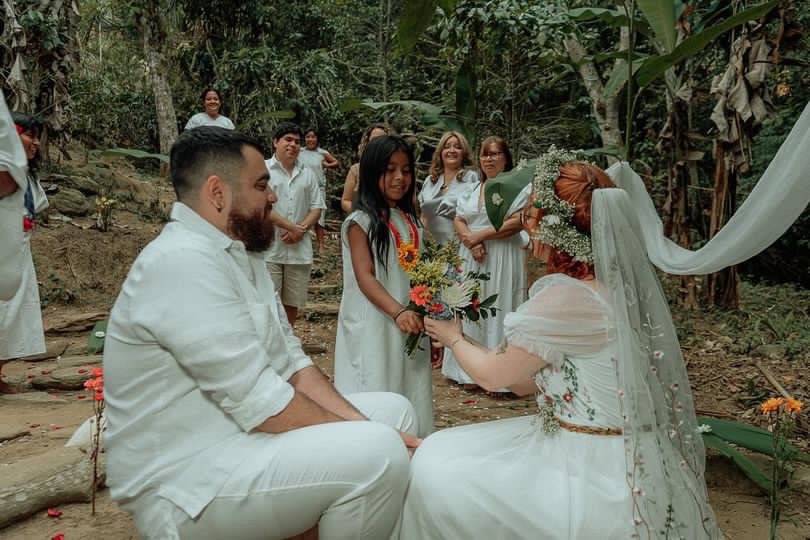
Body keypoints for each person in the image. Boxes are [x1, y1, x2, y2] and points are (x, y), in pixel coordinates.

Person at [103, 126, 421, 540]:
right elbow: (262, 404)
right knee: (379, 454)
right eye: (261, 185)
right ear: (217, 193)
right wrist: (369, 435)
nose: (273, 197)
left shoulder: (239, 253)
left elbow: (293, 365)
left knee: (393, 412)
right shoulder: (181, 262)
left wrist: (365, 426)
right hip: (187, 481)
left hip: (240, 439)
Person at [399, 156, 722, 539]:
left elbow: (494, 377)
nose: (525, 222)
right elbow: (530, 382)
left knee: (438, 468)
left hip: (589, 465)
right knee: (444, 451)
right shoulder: (610, 289)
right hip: (621, 450)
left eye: (530, 213)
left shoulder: (565, 298)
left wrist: (452, 336)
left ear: (551, 229)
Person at [334, 135, 433, 437]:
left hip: (409, 321)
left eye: (405, 170)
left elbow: (422, 273)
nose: (399, 178)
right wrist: (398, 312)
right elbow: (365, 276)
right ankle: (377, 447)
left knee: (410, 385)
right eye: (389, 170)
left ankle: (413, 446)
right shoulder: (360, 221)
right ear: (371, 172)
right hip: (376, 321)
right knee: (378, 383)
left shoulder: (411, 219)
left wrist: (427, 317)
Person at [444, 136, 528, 390]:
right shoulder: (471, 188)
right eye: (485, 154)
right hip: (471, 255)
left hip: (503, 254)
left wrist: (482, 235)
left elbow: (517, 221)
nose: (489, 159)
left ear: (506, 158)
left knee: (501, 306)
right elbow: (459, 218)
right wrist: (470, 240)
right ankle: (467, 370)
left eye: (495, 154)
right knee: (471, 306)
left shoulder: (519, 188)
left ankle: (502, 375)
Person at [418, 131, 477, 367]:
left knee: (455, 299)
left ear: (464, 153)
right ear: (440, 152)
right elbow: (423, 214)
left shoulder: (470, 178)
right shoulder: (431, 181)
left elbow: (474, 214)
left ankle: (458, 353)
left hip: (458, 246)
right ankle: (436, 348)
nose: (451, 150)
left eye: (457, 147)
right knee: (433, 299)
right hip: (432, 247)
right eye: (447, 146)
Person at [0, 111, 48, 393]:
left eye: (37, 137)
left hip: (18, 252)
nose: (36, 143)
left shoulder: (28, 178)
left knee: (14, 315)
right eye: (30, 135)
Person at [265, 122, 325, 326]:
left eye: (297, 142)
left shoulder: (307, 173)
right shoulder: (263, 170)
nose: (293, 145)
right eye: (287, 140)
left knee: (292, 303)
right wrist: (292, 228)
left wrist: (300, 231)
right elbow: (261, 206)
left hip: (299, 250)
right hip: (269, 248)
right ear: (275, 142)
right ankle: (270, 348)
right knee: (268, 301)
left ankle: (287, 344)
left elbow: (317, 207)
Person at [299, 127, 339, 251]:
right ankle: (303, 244)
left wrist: (327, 165)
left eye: (313, 136)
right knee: (302, 215)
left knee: (319, 217)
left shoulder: (322, 153)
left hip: (319, 189)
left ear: (317, 139)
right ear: (304, 139)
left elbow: (336, 163)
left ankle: (321, 246)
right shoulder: (299, 151)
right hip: (302, 188)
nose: (310, 139)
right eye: (308, 136)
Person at [340, 123, 389, 213]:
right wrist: (363, 214)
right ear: (367, 143)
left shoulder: (394, 170)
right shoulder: (356, 170)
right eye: (374, 139)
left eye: (382, 139)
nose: (378, 143)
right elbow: (345, 201)